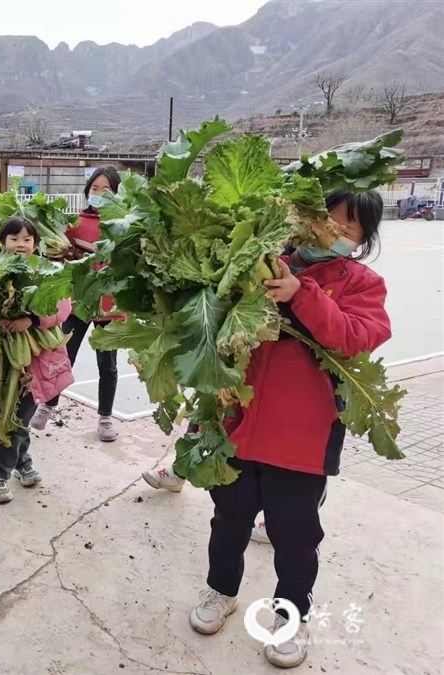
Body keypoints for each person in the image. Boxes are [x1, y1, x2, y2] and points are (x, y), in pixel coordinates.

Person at [186, 189, 390, 669]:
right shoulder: (260, 259)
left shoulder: (362, 283)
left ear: (364, 238)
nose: (334, 231)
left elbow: (355, 338)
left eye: (350, 226)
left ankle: (292, 614)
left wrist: (303, 294)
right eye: (327, 220)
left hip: (303, 437)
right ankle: (221, 591)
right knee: (228, 521)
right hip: (239, 424)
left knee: (295, 534)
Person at [0, 217, 74, 504]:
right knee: (8, 414)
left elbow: (63, 308)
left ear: (36, 244)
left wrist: (32, 319)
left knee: (18, 417)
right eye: (14, 238)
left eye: (27, 239)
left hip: (35, 362)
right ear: (2, 242)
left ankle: (1, 472)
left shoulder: (48, 271)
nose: (20, 244)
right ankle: (15, 465)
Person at [30, 167, 124, 442]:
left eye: (106, 190)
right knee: (62, 355)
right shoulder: (76, 223)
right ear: (87, 191)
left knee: (107, 365)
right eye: (94, 189)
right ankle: (48, 405)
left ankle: (105, 418)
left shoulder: (126, 225)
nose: (99, 194)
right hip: (79, 301)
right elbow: (59, 257)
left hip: (110, 305)